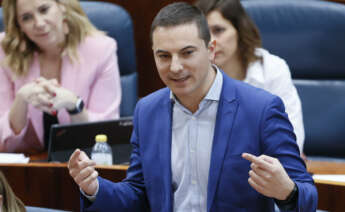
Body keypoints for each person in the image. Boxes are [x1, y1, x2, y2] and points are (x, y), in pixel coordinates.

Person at [68, 2, 317, 211]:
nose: (175, 67)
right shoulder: (147, 111)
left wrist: (287, 191)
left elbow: (307, 194)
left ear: (210, 50)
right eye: (164, 56)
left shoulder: (261, 108)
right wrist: (95, 188)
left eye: (187, 53)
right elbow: (138, 193)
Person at [0, 0, 121, 153]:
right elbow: (2, 143)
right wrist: (21, 101)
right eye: (26, 17)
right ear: (19, 25)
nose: (39, 23)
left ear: (63, 6)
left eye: (44, 10)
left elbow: (108, 135)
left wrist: (74, 105)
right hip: (26, 167)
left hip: (83, 164)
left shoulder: (101, 49)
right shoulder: (4, 50)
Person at [195, 0, 305, 153]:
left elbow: (292, 140)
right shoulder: (193, 72)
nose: (211, 41)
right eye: (204, 33)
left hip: (265, 169)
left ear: (239, 30)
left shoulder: (271, 69)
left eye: (218, 30)